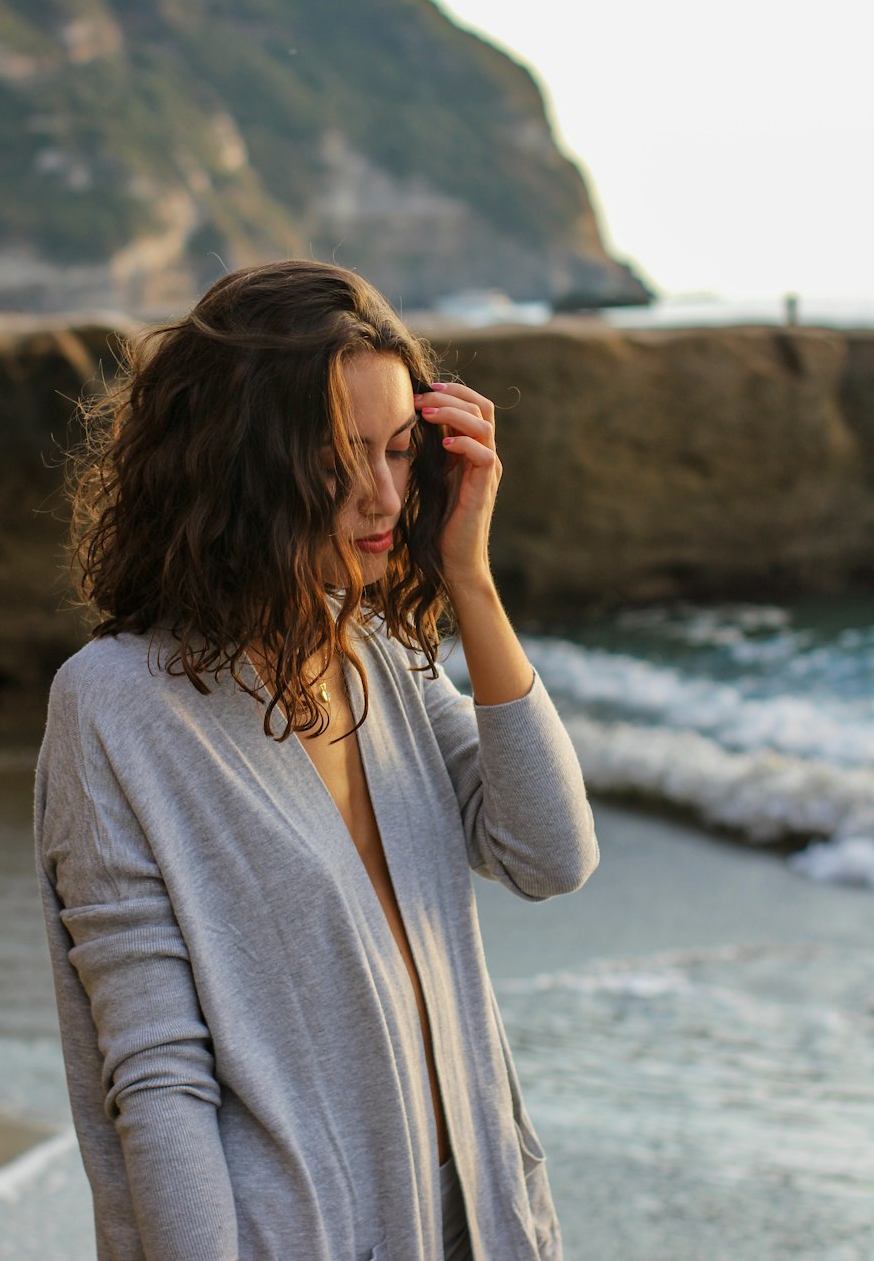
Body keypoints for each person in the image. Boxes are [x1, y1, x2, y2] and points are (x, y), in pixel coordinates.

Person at [35, 259, 599, 1261]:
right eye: (342, 462)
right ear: (247, 465)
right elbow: (159, 1079)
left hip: (476, 1216)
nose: (384, 496)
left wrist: (468, 576)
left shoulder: (374, 649)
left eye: (399, 451)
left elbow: (547, 851)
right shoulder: (114, 704)